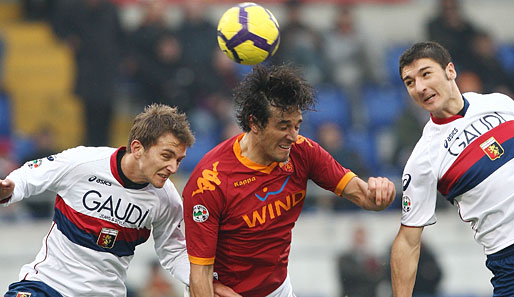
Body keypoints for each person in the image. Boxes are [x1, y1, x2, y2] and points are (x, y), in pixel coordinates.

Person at [182, 65, 396, 297]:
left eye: (297, 125)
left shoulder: (303, 151)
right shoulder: (208, 182)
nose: (293, 136)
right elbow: (200, 274)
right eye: (283, 126)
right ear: (254, 123)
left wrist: (381, 193)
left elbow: (366, 197)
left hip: (278, 291)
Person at [0, 104, 235, 297]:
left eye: (179, 160)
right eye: (166, 156)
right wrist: (10, 187)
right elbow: (30, 175)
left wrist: (203, 284)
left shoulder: (168, 199)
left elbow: (173, 252)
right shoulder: (83, 162)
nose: (173, 167)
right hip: (48, 286)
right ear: (137, 148)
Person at [390, 41, 514, 297]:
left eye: (425, 74)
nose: (420, 87)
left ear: (450, 71)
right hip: (509, 258)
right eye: (410, 82)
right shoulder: (422, 158)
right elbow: (408, 241)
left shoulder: (499, 102)